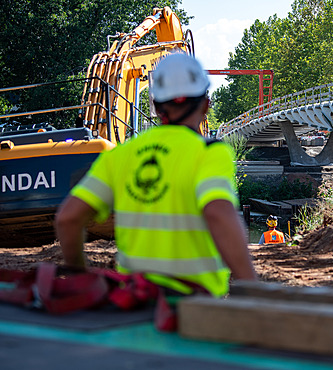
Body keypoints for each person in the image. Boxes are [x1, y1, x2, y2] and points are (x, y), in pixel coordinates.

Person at [55, 52, 258, 299]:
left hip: (134, 303)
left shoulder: (120, 155)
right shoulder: (210, 153)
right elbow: (218, 213)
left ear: (156, 105)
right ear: (206, 105)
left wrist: (78, 275)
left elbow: (67, 218)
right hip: (195, 308)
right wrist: (253, 287)